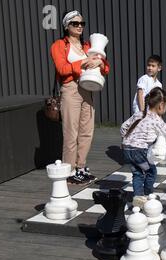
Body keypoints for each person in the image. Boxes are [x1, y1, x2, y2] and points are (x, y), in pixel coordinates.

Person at [50, 10, 110, 184]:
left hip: (88, 90)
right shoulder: (59, 45)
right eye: (75, 24)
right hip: (70, 89)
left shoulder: (87, 46)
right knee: (71, 132)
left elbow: (105, 68)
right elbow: (62, 69)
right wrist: (84, 62)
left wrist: (100, 62)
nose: (79, 27)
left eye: (82, 24)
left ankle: (81, 167)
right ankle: (69, 170)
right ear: (66, 26)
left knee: (87, 131)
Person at [121, 87, 166, 208]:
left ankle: (138, 197)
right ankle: (148, 195)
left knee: (138, 173)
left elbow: (123, 127)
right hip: (138, 151)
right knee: (151, 172)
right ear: (161, 105)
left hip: (127, 149)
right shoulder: (156, 120)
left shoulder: (139, 114)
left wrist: (125, 139)